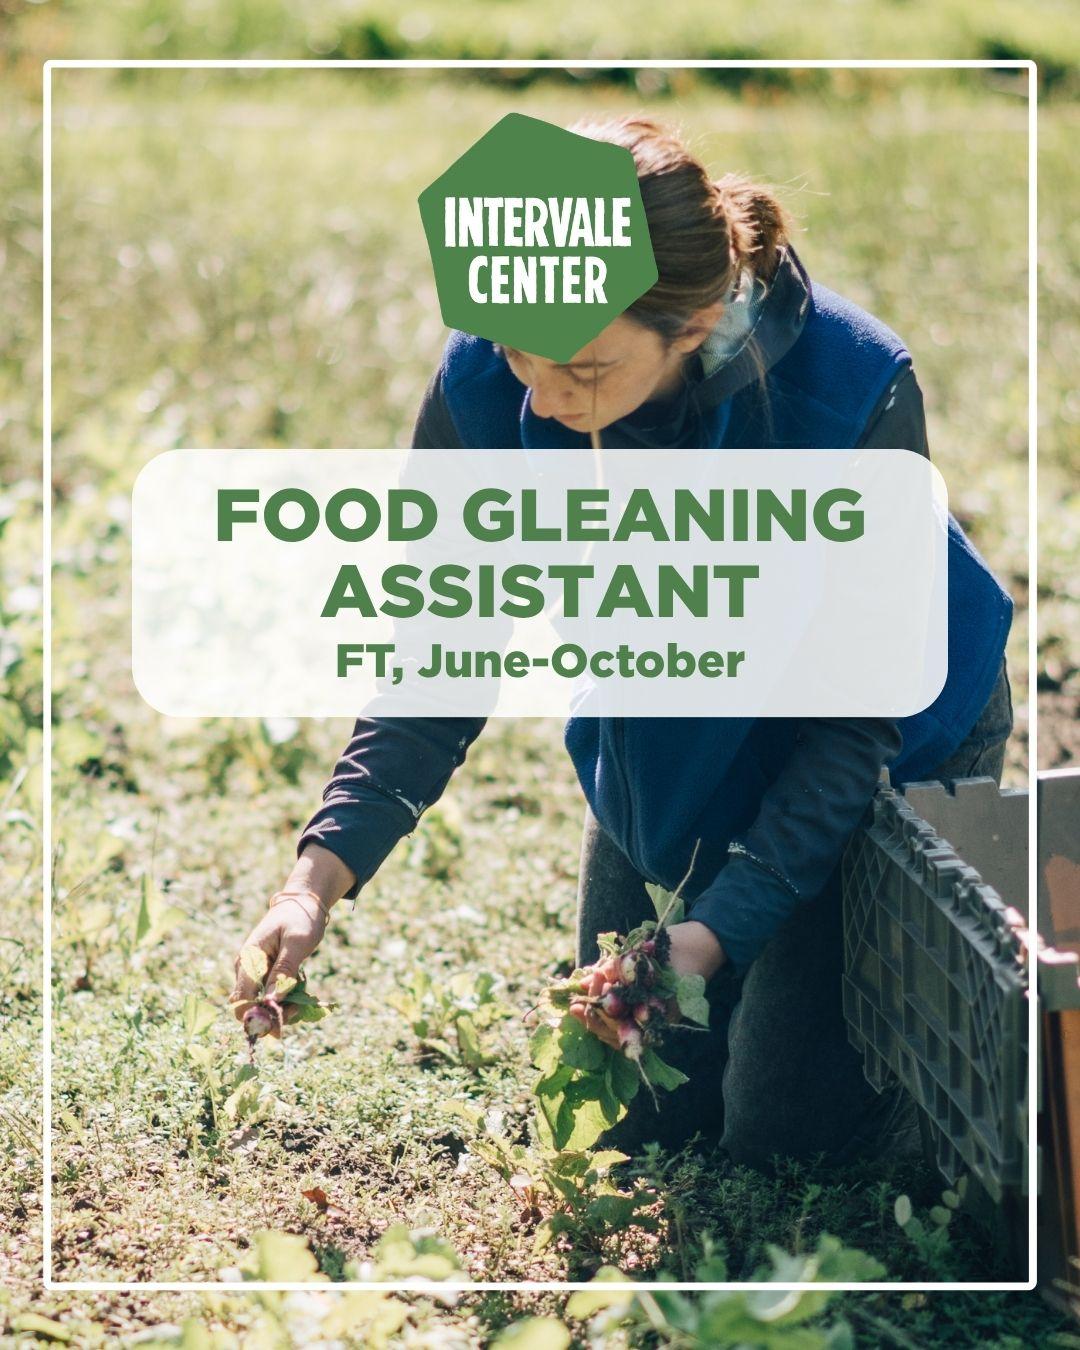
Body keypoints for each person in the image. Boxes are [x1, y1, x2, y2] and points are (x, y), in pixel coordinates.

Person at [231, 115, 1013, 1166]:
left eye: (584, 374)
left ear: (690, 325)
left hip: (877, 735)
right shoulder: (493, 383)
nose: (541, 405)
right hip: (678, 701)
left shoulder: (849, 390)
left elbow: (853, 720)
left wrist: (714, 930)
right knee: (639, 1117)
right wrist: (313, 881)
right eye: (519, 359)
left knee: (789, 1141)